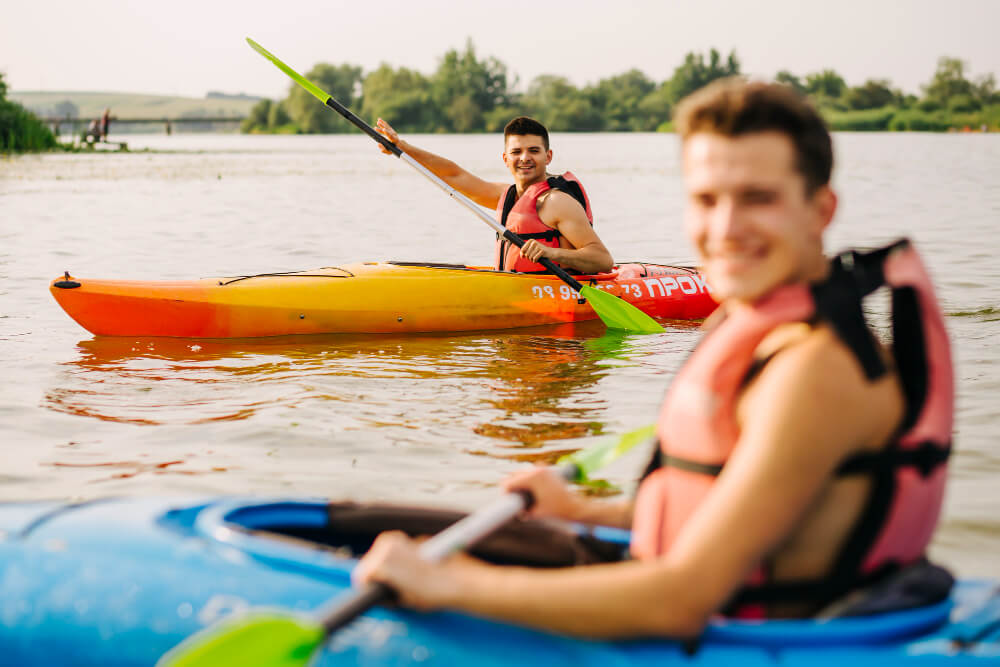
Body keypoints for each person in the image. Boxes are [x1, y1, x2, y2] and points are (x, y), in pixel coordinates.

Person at [354, 79, 953, 638]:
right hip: (716, 600)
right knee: (357, 526)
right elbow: (720, 505)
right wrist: (584, 508)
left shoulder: (813, 370)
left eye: (758, 198)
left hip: (750, 636)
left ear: (821, 211)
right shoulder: (768, 330)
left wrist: (449, 583)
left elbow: (680, 598)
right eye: (706, 198)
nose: (725, 226)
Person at [375, 116, 614, 274]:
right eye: (516, 151)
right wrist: (402, 147)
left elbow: (602, 259)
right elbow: (455, 175)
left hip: (556, 291)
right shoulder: (507, 195)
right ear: (505, 158)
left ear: (548, 156)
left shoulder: (556, 202)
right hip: (515, 285)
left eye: (534, 151)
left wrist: (551, 253)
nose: (525, 158)